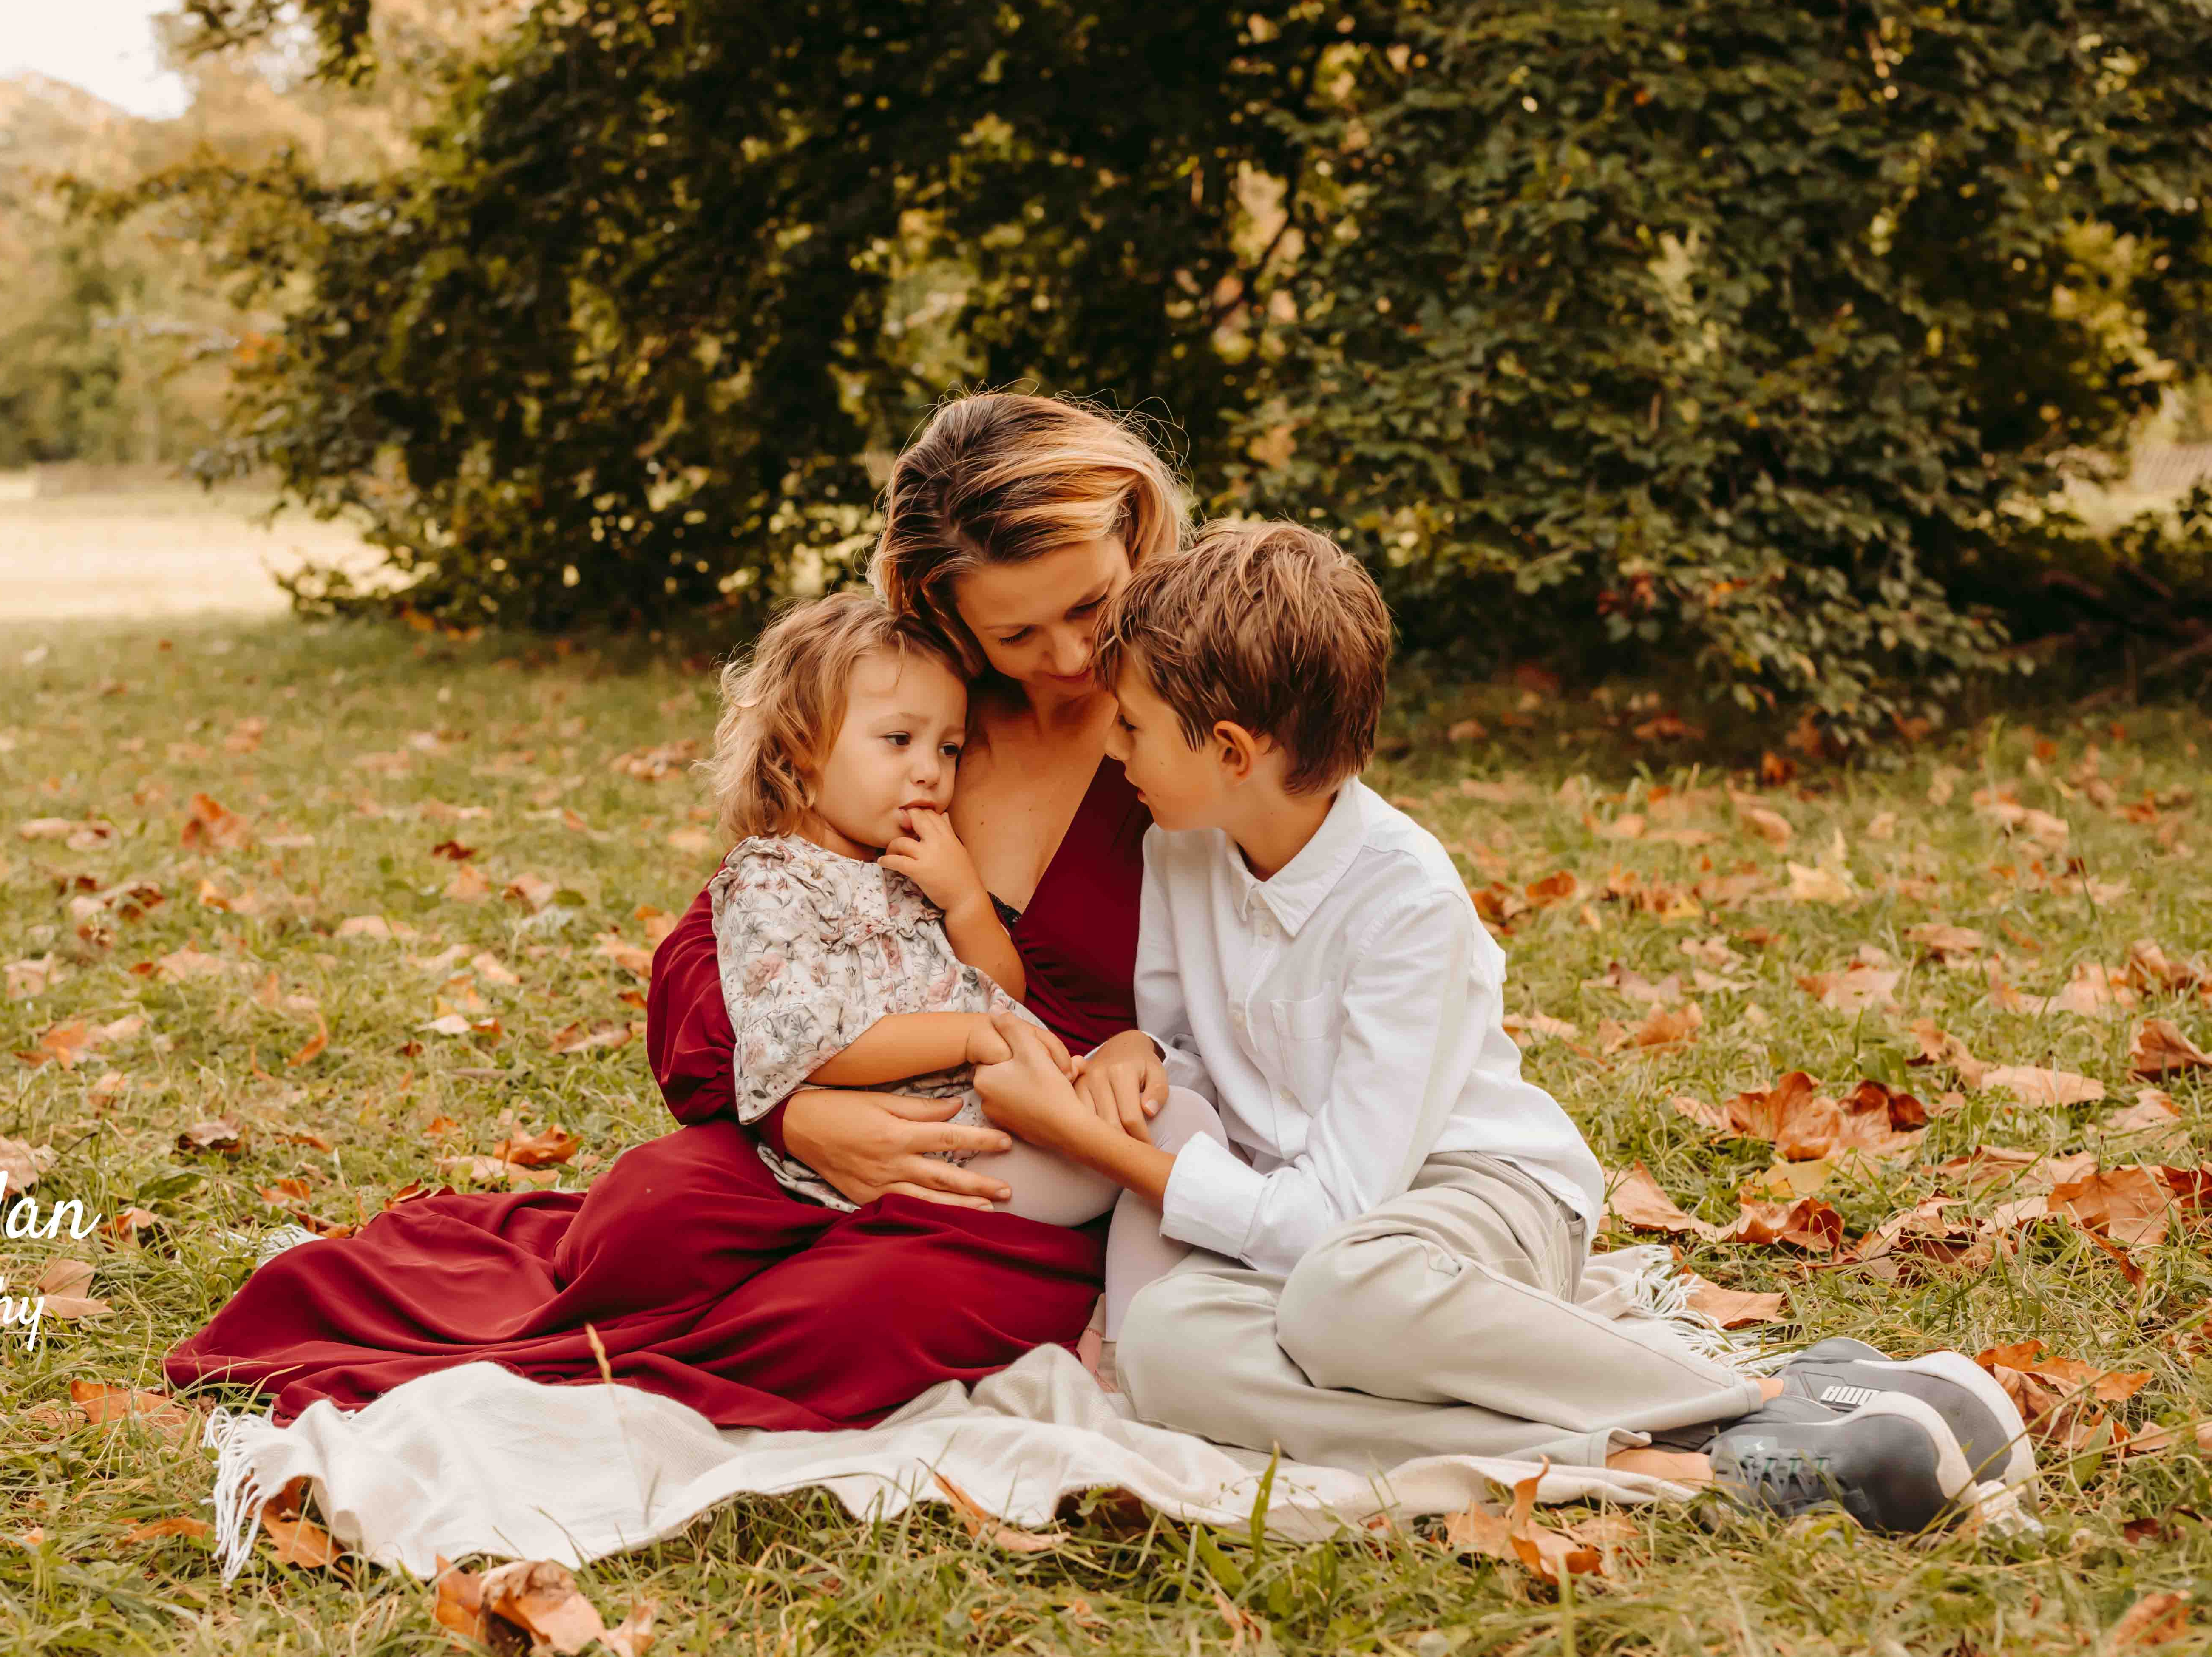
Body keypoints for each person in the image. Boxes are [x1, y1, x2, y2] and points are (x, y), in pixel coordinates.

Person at [957, 522, 2035, 1532]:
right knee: (1166, 1348)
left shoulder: (1406, 897)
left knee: (1339, 1296)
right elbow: (1191, 1045)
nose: (1114, 754)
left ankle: (1755, 1389)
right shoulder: (1176, 847)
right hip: (1305, 1229)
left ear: (1231, 750)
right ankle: (1669, 1451)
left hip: (1471, 1200)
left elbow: (1340, 1213)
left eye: (1134, 727)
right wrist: (1143, 1051)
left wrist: (1096, 1143)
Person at [162, 389, 1187, 1431]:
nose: (1068, 658)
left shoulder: (1193, 729)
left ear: (1135, 536)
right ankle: (577, 1332)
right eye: (1016, 632)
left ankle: (614, 1387)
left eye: (1092, 607)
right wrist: (799, 1111)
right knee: (648, 1211)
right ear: (948, 614)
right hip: (844, 1107)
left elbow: (1277, 983)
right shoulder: (920, 719)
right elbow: (714, 956)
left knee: (856, 1317)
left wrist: (1136, 1050)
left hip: (1035, 1166)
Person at [700, 588, 1123, 1225]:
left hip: (994, 1107)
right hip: (912, 1145)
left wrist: (965, 902)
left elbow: (1004, 994)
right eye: (899, 740)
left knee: (1156, 1129)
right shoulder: (772, 884)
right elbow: (806, 1048)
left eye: (949, 748)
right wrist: (973, 1037)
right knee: (1124, 1173)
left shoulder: (910, 864)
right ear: (800, 748)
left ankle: (1116, 1302)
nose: (930, 770)